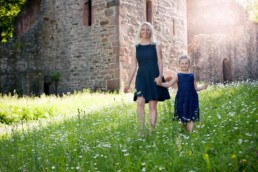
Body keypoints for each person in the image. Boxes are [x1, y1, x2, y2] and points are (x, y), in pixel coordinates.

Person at [124, 21, 170, 134]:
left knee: (153, 104)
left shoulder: (156, 46)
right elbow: (133, 66)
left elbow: (160, 61)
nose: (145, 31)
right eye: (143, 29)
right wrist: (128, 82)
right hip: (141, 78)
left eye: (148, 29)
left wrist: (160, 76)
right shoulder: (136, 48)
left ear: (151, 32)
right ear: (140, 31)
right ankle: (142, 130)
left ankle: (152, 130)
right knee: (140, 102)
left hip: (154, 76)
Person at [156, 55, 208, 133]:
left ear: (189, 64)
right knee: (182, 117)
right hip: (181, 98)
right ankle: (183, 132)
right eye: (182, 63)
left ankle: (190, 134)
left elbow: (195, 88)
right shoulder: (178, 76)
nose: (184, 65)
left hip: (192, 99)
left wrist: (203, 87)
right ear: (179, 65)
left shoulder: (192, 76)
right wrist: (160, 84)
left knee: (191, 116)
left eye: (186, 63)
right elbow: (168, 84)